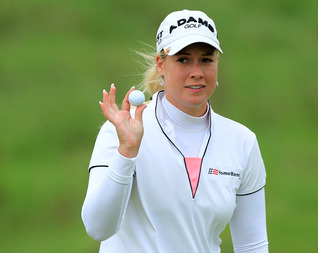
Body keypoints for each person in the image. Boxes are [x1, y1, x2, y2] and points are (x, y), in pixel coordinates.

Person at [81, 9, 269, 252]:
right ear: (161, 64)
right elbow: (98, 228)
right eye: (183, 59)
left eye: (206, 59)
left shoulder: (242, 141)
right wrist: (127, 152)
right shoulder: (120, 132)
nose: (197, 72)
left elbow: (252, 245)